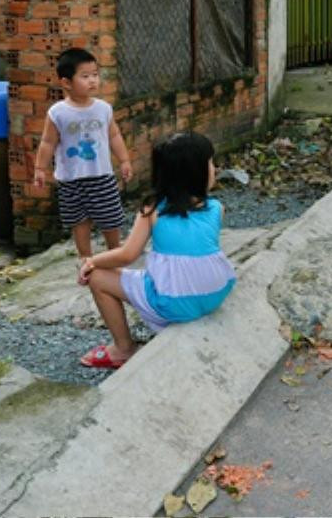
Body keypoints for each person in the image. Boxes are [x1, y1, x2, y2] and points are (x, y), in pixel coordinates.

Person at [74, 132, 236, 369]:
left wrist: (91, 262)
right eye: (210, 163)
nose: (215, 168)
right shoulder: (216, 208)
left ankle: (123, 349)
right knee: (148, 278)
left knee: (97, 277)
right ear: (196, 173)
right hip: (215, 294)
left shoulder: (152, 210)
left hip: (172, 304)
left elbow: (128, 255)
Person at [33, 48, 133, 262]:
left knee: (110, 219)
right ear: (66, 82)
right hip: (70, 180)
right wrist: (40, 168)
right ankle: (86, 260)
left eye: (95, 74)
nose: (92, 80)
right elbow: (47, 142)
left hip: (101, 176)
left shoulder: (103, 109)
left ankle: (115, 253)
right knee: (79, 222)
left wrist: (124, 160)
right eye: (85, 76)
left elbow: (114, 136)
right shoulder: (57, 113)